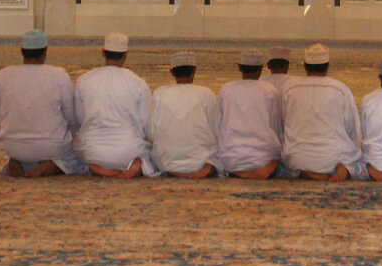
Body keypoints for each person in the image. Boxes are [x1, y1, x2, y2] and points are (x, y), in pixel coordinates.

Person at [0, 29, 86, 177]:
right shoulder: (58, 75)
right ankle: (51, 166)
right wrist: (74, 134)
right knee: (81, 151)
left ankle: (16, 162)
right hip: (52, 147)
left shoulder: (4, 74)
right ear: (45, 52)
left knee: (21, 148)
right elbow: (71, 117)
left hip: (12, 146)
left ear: (22, 51)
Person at [73, 32, 155, 178]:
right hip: (128, 151)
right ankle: (136, 165)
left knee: (72, 148)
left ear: (103, 52)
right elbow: (146, 125)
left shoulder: (84, 80)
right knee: (153, 152)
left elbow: (79, 120)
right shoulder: (138, 83)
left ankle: (95, 167)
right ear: (125, 55)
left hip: (92, 151)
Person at [281, 44, 366, 181]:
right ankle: (344, 170)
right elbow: (353, 132)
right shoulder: (341, 89)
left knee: (282, 166)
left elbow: (281, 126)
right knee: (361, 165)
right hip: (334, 158)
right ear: (327, 66)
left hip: (298, 158)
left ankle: (306, 172)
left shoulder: (289, 89)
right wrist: (353, 154)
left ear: (304, 66)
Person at [148, 51, 222, 179]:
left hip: (167, 163)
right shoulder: (206, 94)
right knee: (222, 156)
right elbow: (217, 132)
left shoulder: (159, 93)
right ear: (194, 71)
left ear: (171, 72)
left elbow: (150, 134)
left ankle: (173, 171)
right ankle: (205, 170)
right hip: (200, 163)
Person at [217, 49, 283, 179]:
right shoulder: (269, 90)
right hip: (263, 160)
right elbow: (276, 129)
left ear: (239, 67)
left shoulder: (227, 89)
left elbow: (220, 127)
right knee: (281, 162)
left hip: (232, 159)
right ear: (261, 68)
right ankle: (262, 172)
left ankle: (240, 172)